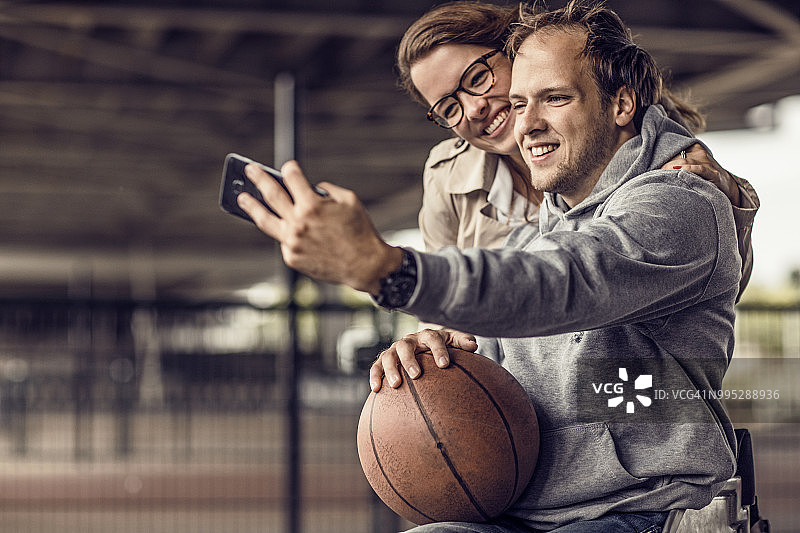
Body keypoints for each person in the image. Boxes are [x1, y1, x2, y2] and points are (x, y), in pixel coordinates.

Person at [237, 1, 743, 530]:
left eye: (554, 98)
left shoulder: (678, 199)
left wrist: (386, 269)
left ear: (621, 104)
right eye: (520, 103)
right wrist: (434, 358)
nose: (526, 122)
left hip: (637, 508)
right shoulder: (523, 231)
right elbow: (495, 318)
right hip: (521, 507)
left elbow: (561, 284)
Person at [397, 1, 758, 299]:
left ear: (519, 53)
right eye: (449, 108)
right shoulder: (446, 176)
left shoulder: (663, 160)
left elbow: (715, 285)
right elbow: (446, 311)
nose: (474, 109)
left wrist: (732, 203)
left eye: (477, 78)